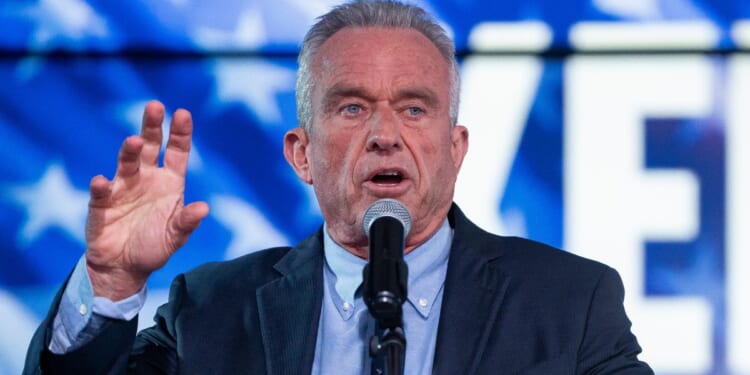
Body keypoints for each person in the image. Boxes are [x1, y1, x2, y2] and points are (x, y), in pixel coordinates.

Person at [24, 0, 653, 374]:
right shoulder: (210, 312)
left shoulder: (571, 303)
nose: (384, 134)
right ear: (302, 153)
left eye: (413, 109)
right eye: (352, 108)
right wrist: (111, 287)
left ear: (455, 150)